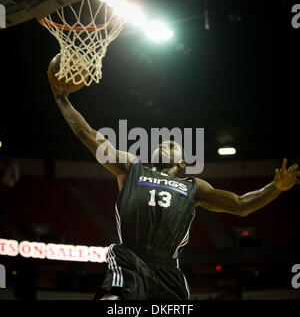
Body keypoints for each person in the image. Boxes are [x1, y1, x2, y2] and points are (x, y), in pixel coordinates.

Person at [48, 76, 299, 300]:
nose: (163, 144)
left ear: (182, 162)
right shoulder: (131, 168)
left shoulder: (193, 186)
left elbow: (241, 205)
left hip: (168, 269)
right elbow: (88, 133)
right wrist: (62, 99)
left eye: (171, 144)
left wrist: (275, 188)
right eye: (162, 142)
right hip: (130, 259)